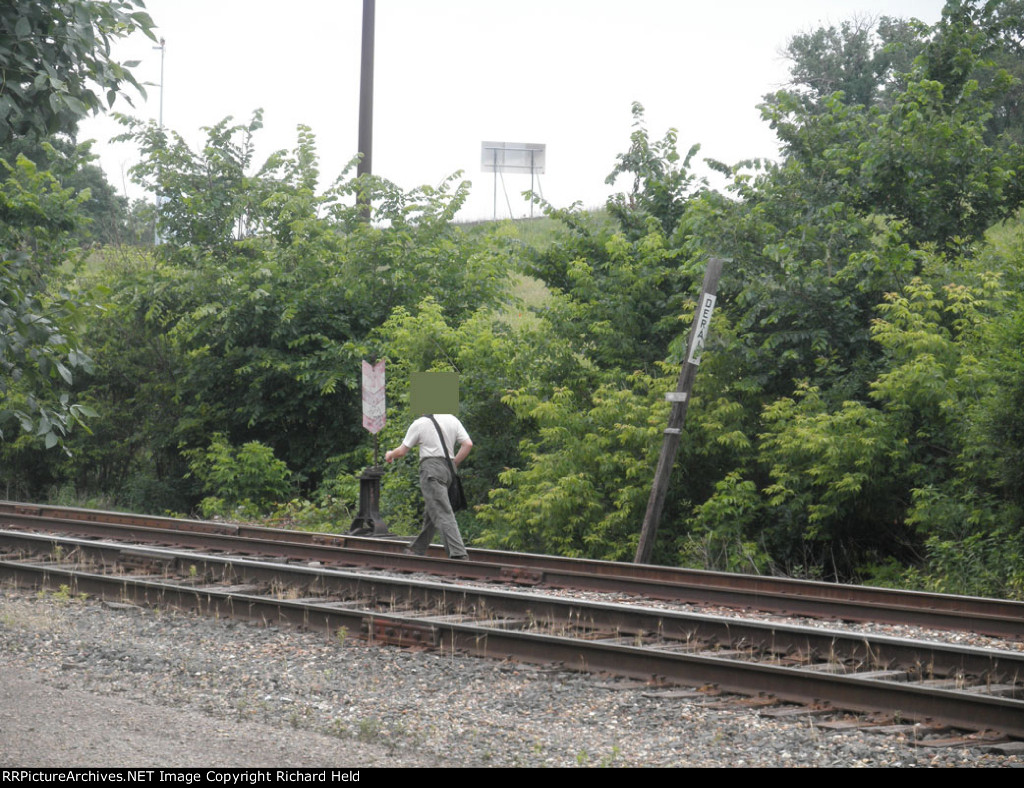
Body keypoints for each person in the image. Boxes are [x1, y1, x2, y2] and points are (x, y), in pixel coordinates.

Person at [385, 413, 472, 559]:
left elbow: (402, 451)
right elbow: (468, 444)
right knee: (433, 510)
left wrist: (390, 454)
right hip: (449, 469)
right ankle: (418, 548)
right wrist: (454, 463)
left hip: (431, 469)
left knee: (442, 512)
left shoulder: (420, 423)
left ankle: (458, 554)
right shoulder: (452, 419)